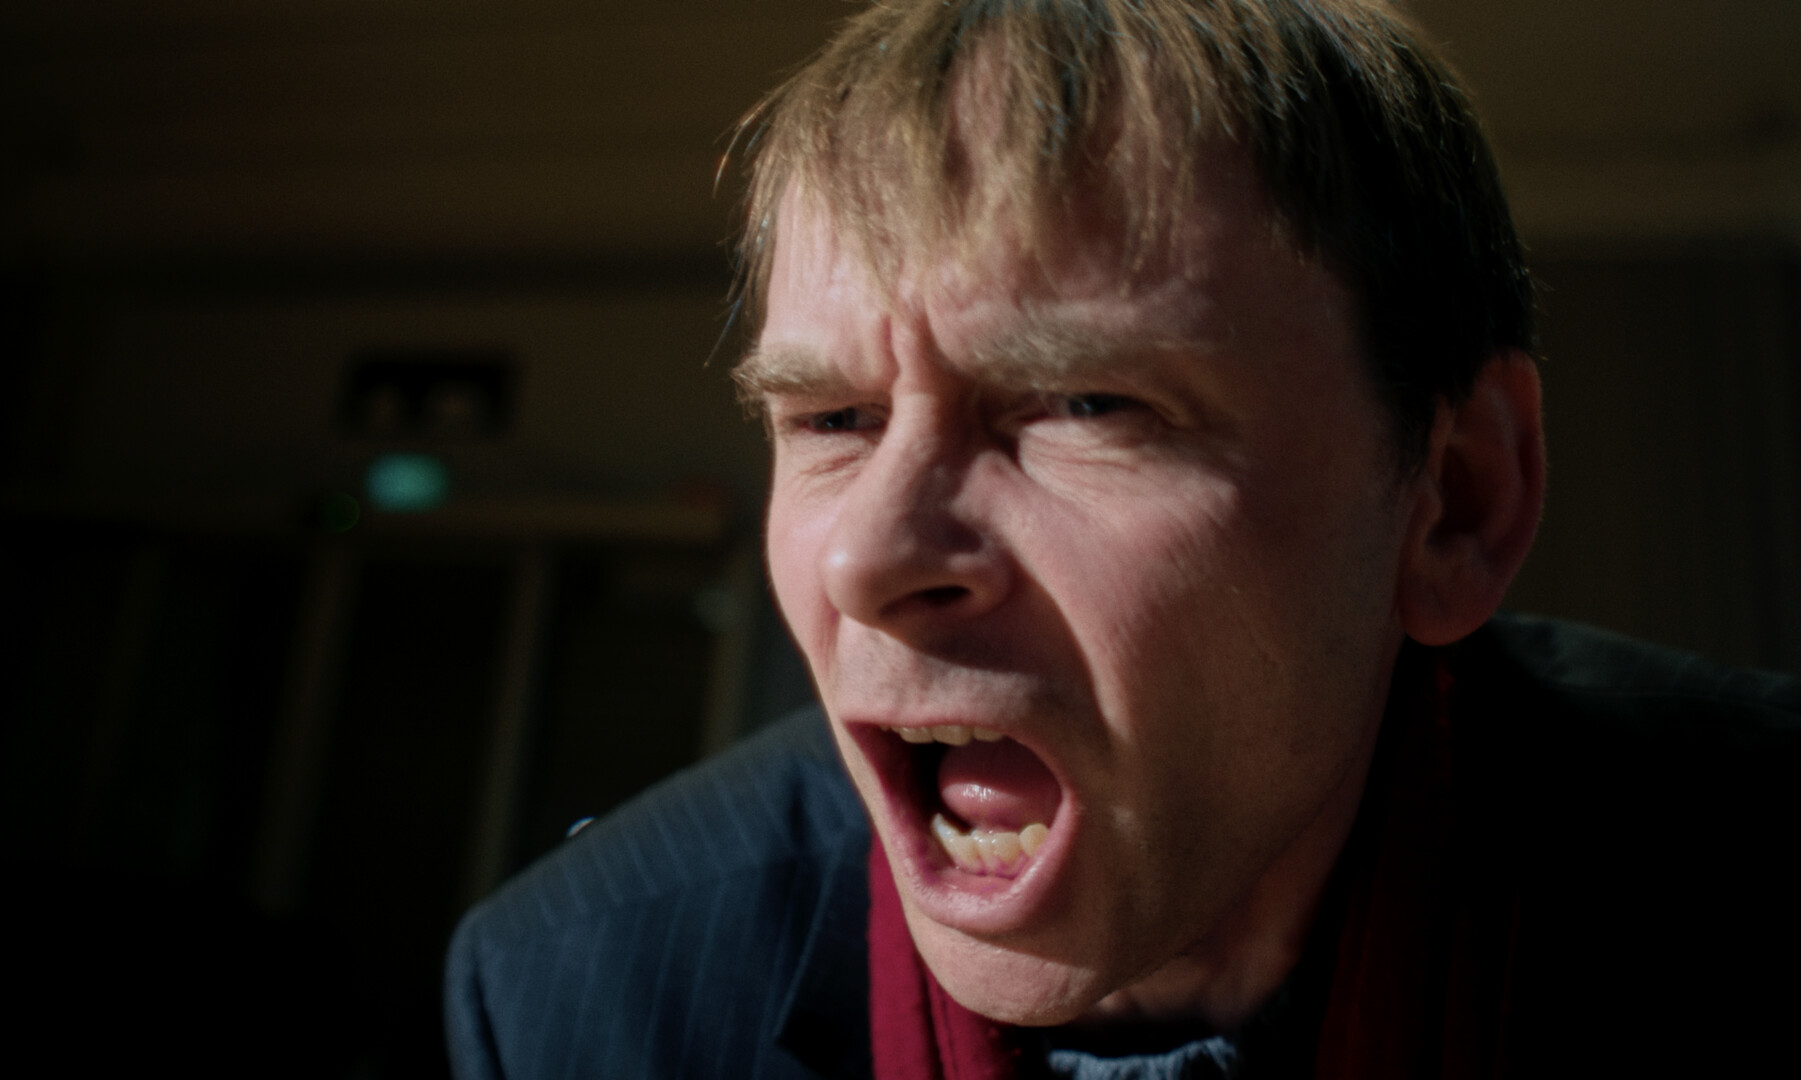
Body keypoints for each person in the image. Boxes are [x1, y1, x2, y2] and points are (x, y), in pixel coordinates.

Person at [446, 2, 1801, 1077]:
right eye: (833, 420)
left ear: (1453, 502)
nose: (867, 558)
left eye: (1084, 404)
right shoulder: (573, 996)